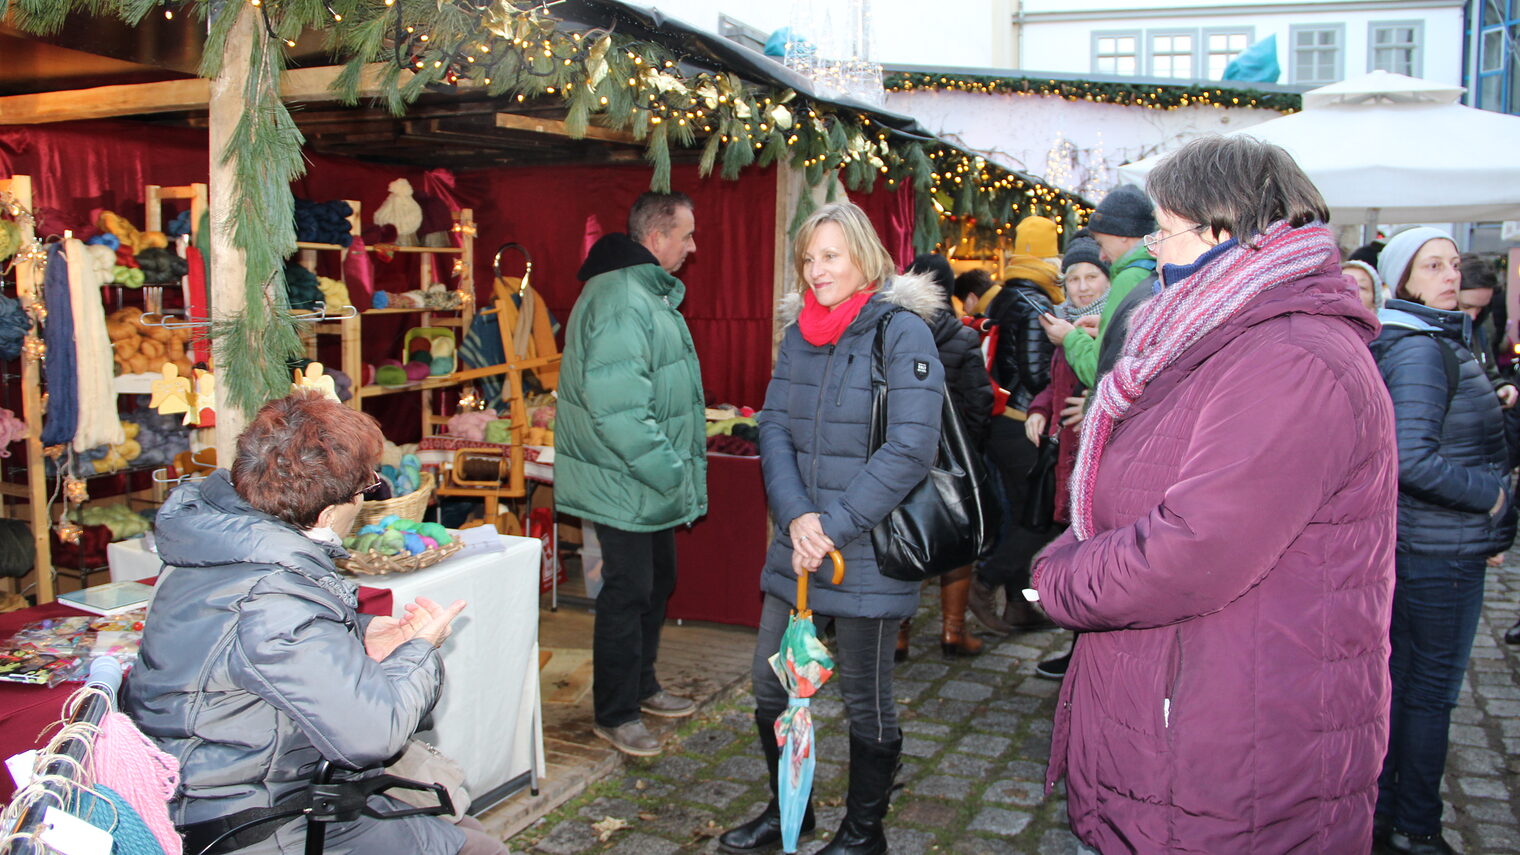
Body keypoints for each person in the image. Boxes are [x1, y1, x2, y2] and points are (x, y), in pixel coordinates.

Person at [1029, 135, 1397, 854]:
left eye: (1164, 230)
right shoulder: (1216, 335)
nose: (1153, 252)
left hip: (1230, 762)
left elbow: (1193, 547)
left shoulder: (1291, 357)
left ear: (1225, 228)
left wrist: (1058, 578)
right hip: (1179, 734)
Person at [124, 391, 496, 855]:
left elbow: (250, 649)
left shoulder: (217, 543)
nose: (364, 501)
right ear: (326, 512)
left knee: (460, 824)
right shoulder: (273, 593)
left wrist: (361, 635)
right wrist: (420, 650)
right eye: (365, 489)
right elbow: (373, 735)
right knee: (476, 846)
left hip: (231, 783)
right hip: (249, 819)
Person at [718, 202, 943, 855]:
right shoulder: (799, 334)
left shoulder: (902, 333)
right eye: (808, 258)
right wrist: (796, 517)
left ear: (864, 257)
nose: (816, 270)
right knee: (770, 684)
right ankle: (790, 806)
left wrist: (832, 526)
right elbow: (774, 425)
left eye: (830, 256)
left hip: (867, 546)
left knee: (866, 697)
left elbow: (910, 448)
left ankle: (865, 832)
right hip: (802, 542)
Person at [1370, 228, 1517, 855]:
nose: (1449, 275)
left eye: (1454, 264)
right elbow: (1412, 460)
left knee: (1407, 688)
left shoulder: (1436, 337)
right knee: (1428, 694)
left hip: (1432, 544)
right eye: (1433, 266)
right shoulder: (1422, 348)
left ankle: (1386, 817)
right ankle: (1415, 828)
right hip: (1439, 551)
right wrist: (1493, 496)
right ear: (1403, 278)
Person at [557, 191, 708, 756]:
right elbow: (619, 409)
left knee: (656, 583)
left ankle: (642, 686)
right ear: (656, 238)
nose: (692, 247)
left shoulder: (643, 291)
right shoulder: (623, 296)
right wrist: (673, 473)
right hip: (625, 476)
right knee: (628, 591)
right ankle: (615, 713)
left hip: (644, 478)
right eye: (686, 236)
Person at [963, 239, 1059, 635]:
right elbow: (1037, 374)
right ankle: (984, 582)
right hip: (1023, 423)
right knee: (1045, 514)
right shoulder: (1033, 302)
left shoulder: (1006, 296)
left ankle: (1019, 604)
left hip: (1004, 423)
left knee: (1024, 514)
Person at [900, 252, 994, 659]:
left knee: (905, 539)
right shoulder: (963, 336)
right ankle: (953, 632)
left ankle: (899, 635)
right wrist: (969, 451)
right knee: (959, 539)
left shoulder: (895, 330)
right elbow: (978, 400)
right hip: (953, 459)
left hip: (903, 454)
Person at [1025, 235, 1109, 681]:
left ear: (1107, 278)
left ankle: (1086, 656)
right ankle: (1077, 652)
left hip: (1098, 462)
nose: (1081, 287)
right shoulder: (1064, 327)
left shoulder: (1113, 325)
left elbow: (1127, 379)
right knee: (1076, 556)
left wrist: (1095, 399)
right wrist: (1040, 410)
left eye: (1090, 276)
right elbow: (1054, 384)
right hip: (1067, 458)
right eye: (1073, 278)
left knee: (1091, 559)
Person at [1040, 184, 1158, 391]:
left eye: (1102, 243)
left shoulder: (1129, 277)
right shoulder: (1154, 265)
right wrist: (1107, 327)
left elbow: (1098, 369)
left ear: (1123, 234)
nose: (1102, 256)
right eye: (1074, 279)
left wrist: (1069, 337)